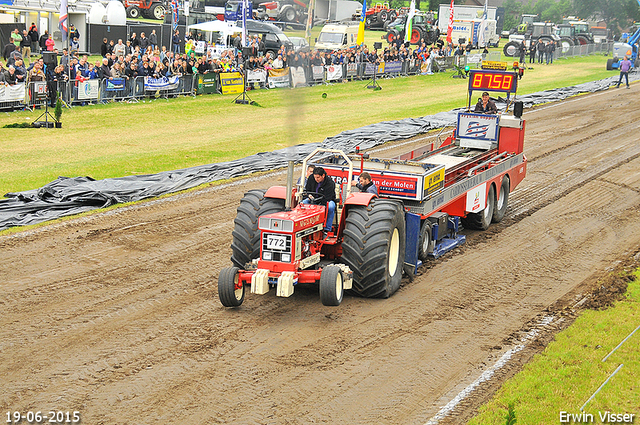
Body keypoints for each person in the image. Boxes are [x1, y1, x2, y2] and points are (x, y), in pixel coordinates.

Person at [303, 167, 337, 233]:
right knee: (303, 203)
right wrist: (309, 195)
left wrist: (319, 206)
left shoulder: (330, 183)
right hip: (313, 199)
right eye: (315, 177)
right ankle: (306, 226)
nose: (316, 179)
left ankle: (327, 229)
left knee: (331, 206)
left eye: (318, 177)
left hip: (326, 200)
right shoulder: (311, 178)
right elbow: (307, 190)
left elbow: (328, 197)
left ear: (323, 176)